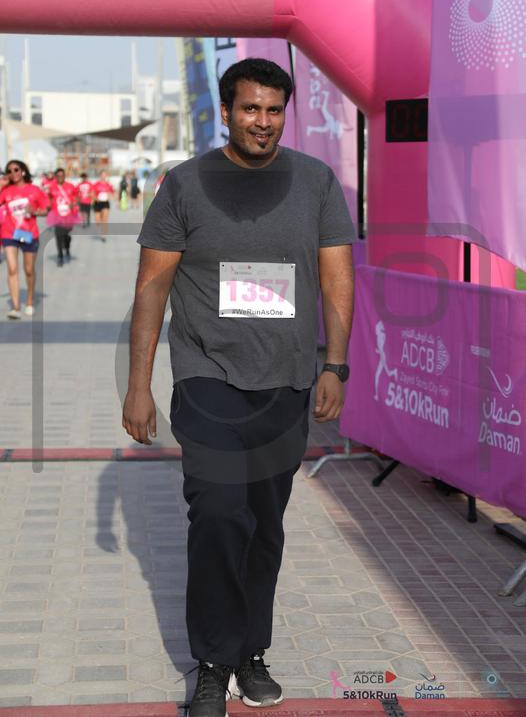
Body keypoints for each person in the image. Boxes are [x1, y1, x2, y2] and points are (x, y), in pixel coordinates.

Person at [122, 58, 355, 717]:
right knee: (220, 515)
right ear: (226, 112)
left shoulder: (314, 182)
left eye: (274, 110)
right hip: (208, 378)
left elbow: (337, 278)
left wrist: (335, 365)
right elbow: (151, 288)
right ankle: (212, 663)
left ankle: (251, 650)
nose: (263, 121)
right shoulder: (185, 184)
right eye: (250, 108)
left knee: (264, 525)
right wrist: (138, 386)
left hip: (286, 381)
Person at [0, 160, 49, 319]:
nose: (13, 173)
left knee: (28, 270)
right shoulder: (6, 191)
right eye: (9, 171)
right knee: (12, 269)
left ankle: (29, 301)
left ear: (23, 171)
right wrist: (1, 185)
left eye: (16, 169)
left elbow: (46, 210)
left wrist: (35, 211)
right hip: (9, 234)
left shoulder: (34, 190)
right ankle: (15, 308)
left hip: (29, 234)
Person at [46, 168, 81, 266]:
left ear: (65, 176)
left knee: (66, 236)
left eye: (62, 175)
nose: (60, 177)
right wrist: (49, 207)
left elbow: (78, 198)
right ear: (55, 177)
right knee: (58, 235)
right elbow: (48, 199)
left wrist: (74, 203)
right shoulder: (52, 187)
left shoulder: (71, 186)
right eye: (58, 176)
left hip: (69, 215)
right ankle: (60, 256)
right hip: (57, 215)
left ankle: (67, 246)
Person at [92, 170, 114, 241]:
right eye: (102, 175)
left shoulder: (109, 184)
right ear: (100, 176)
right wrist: (95, 198)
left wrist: (110, 196)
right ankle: (101, 226)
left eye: (105, 175)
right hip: (97, 203)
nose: (103, 176)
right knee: (98, 221)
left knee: (105, 219)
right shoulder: (96, 184)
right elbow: (92, 193)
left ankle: (103, 235)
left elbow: (113, 193)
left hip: (105, 203)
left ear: (106, 176)